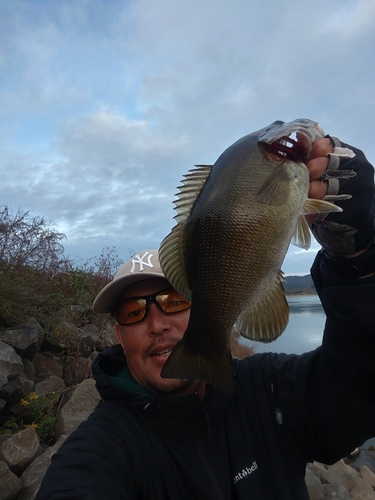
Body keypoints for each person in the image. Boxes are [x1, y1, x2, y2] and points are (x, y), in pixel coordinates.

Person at [36, 134, 375, 499]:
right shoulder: (101, 447)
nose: (156, 323)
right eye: (133, 311)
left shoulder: (270, 390)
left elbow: (360, 382)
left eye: (173, 299)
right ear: (119, 335)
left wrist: (359, 262)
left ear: (203, 301)